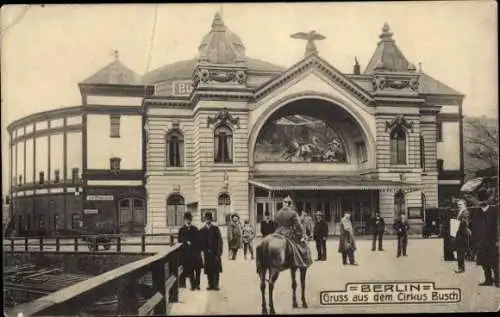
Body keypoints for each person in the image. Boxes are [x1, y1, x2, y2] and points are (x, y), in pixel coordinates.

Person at [274, 196, 313, 268]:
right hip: (288, 233)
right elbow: (299, 226)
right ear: (290, 204)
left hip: (277, 232)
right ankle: (300, 263)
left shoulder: (277, 213)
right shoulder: (293, 213)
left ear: (283, 204)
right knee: (303, 247)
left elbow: (274, 224)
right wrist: (301, 236)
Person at [473, 189, 499, 286]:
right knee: (484, 262)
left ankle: (497, 280)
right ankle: (488, 280)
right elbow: (474, 227)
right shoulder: (476, 212)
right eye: (480, 200)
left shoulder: (494, 211)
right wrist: (475, 242)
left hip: (492, 241)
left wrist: (497, 240)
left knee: (495, 262)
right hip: (481, 241)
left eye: (484, 199)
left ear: (487, 200)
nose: (482, 202)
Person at [177, 211, 202, 290]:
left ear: (191, 220)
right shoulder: (182, 230)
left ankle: (197, 284)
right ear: (184, 220)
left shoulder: (195, 229)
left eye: (189, 219)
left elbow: (199, 239)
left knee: (198, 270)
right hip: (187, 253)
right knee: (190, 269)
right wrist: (186, 241)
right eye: (187, 219)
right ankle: (193, 285)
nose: (188, 221)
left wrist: (194, 243)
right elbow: (179, 239)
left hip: (195, 252)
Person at [199, 211, 223, 291]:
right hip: (207, 253)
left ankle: (216, 285)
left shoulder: (215, 229)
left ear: (211, 220)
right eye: (206, 219)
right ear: (204, 220)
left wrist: (219, 252)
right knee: (209, 269)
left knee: (216, 269)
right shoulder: (202, 230)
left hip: (215, 253)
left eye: (209, 219)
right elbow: (201, 242)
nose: (208, 220)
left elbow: (220, 241)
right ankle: (210, 284)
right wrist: (203, 250)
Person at [454, 199, 471, 273]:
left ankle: (461, 268)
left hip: (462, 233)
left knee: (460, 251)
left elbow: (465, 223)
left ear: (464, 204)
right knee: (459, 251)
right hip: (460, 233)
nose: (459, 206)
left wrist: (456, 223)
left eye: (460, 204)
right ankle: (460, 267)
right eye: (458, 204)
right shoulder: (460, 212)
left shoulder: (465, 212)